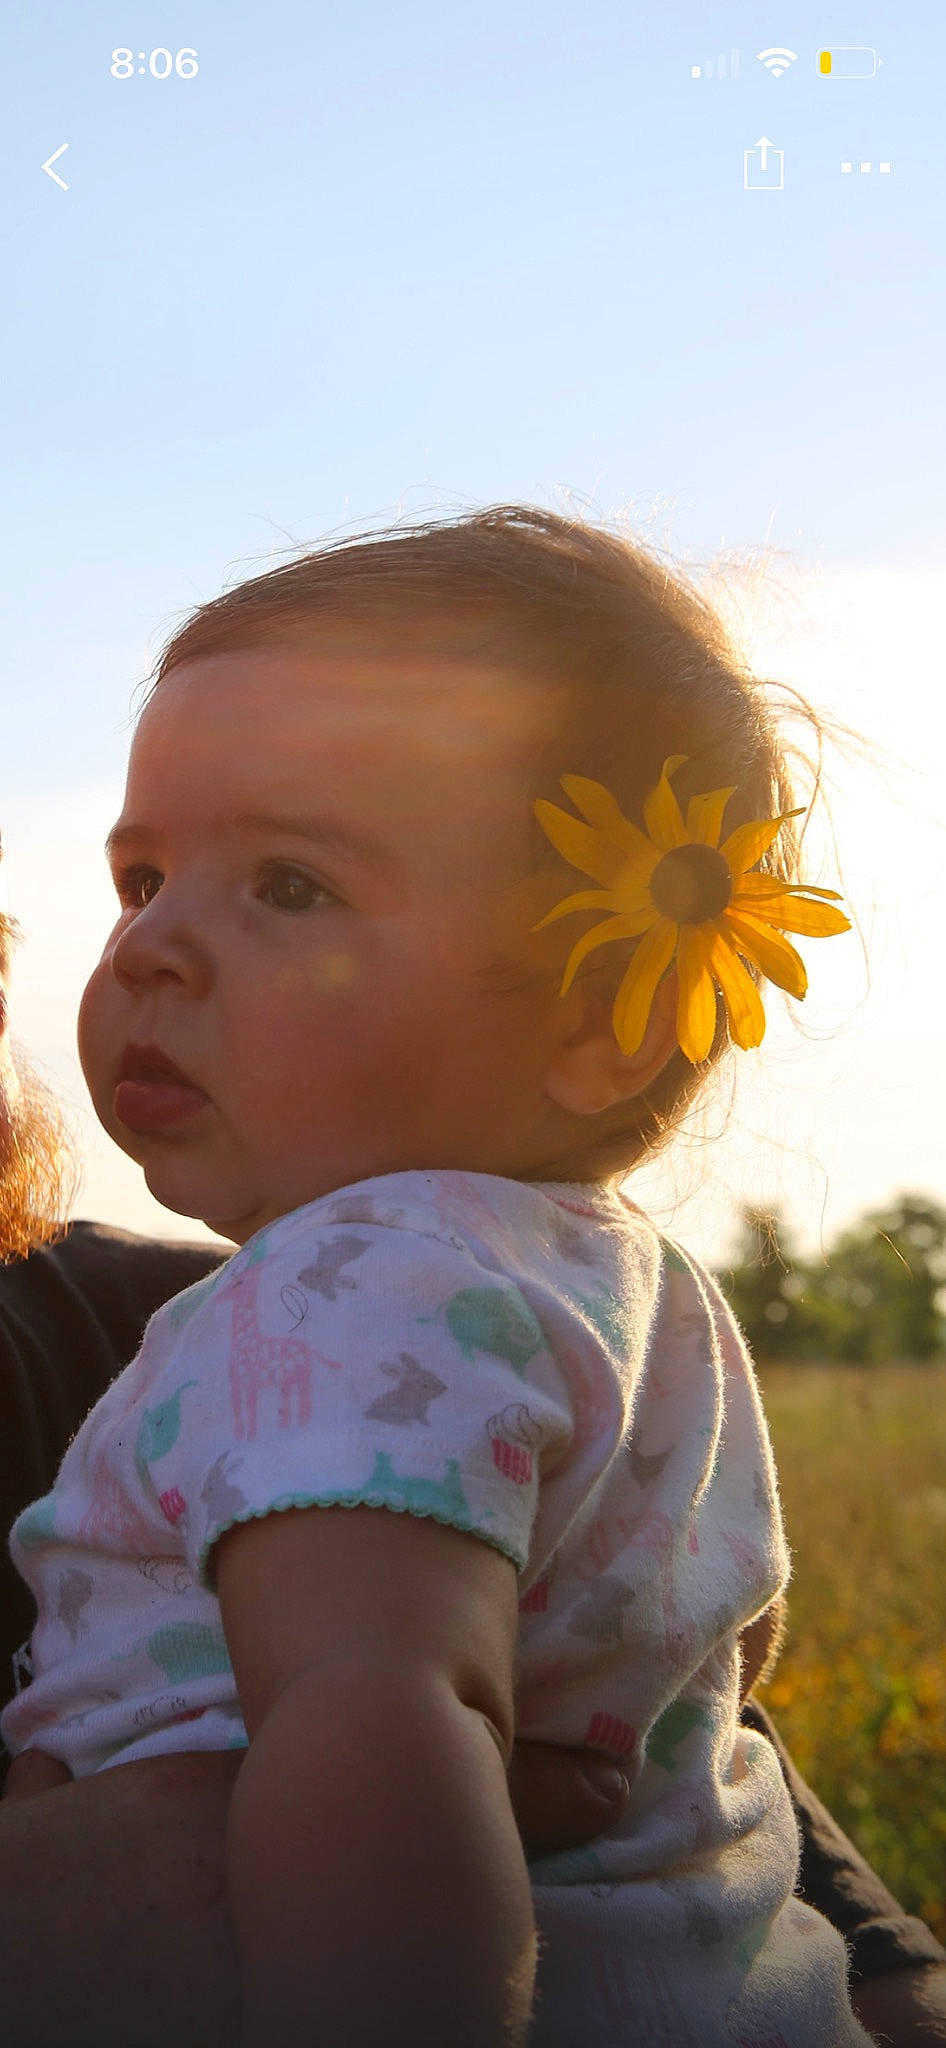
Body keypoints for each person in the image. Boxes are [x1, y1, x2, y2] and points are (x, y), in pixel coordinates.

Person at [1, 508, 945, 2046]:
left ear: (603, 1028)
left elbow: (371, 1724)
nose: (152, 948)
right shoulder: (627, 1293)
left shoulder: (337, 1298)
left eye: (289, 886)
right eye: (143, 875)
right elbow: (719, 1666)